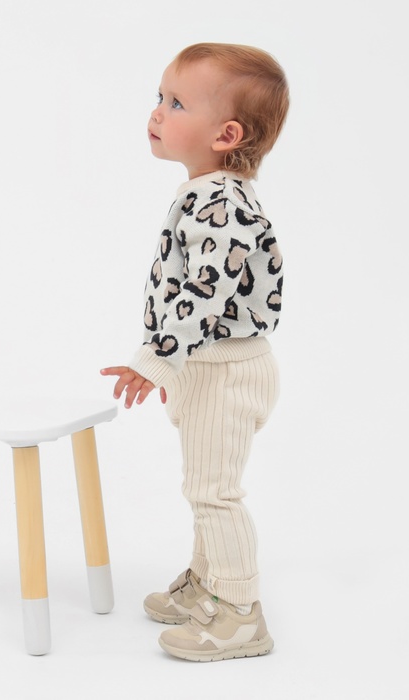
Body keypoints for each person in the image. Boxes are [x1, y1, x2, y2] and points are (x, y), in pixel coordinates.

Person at [101, 42, 289, 662]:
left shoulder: (220, 204)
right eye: (159, 96)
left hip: (226, 370)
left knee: (214, 492)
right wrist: (168, 360)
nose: (157, 111)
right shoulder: (208, 194)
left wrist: (155, 359)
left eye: (177, 103)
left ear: (226, 135)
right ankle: (209, 585)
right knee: (203, 485)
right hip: (208, 366)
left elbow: (204, 296)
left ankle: (239, 612)